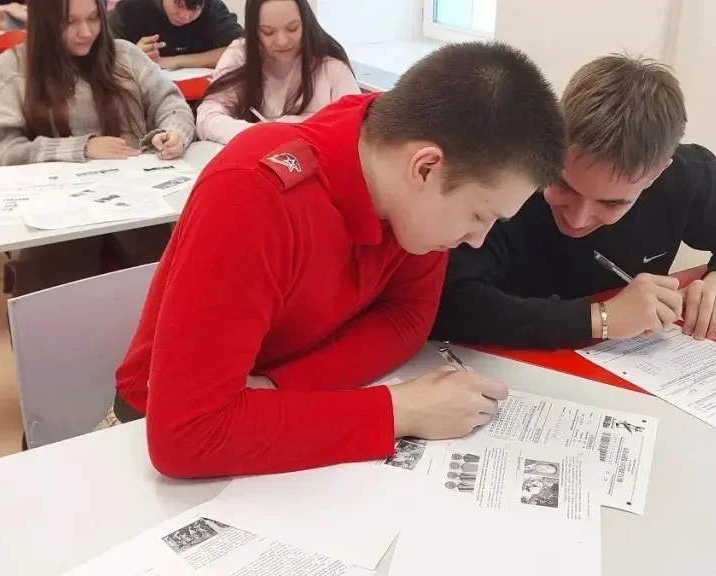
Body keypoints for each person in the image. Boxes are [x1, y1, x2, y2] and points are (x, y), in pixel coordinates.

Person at [110, 42, 566, 479]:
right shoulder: (255, 192)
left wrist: (278, 388)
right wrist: (399, 410)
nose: (477, 239)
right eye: (479, 216)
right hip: (140, 441)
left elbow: (409, 316)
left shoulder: (406, 190)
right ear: (425, 168)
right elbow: (188, 434)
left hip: (265, 414)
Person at [432, 54, 716, 349]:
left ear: (656, 174)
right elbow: (450, 303)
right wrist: (602, 318)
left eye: (612, 203)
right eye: (563, 185)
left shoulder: (688, 177)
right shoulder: (508, 178)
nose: (578, 218)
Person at [0, 0, 196, 296]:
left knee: (157, 287)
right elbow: (0, 148)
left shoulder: (125, 55)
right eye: (70, 22)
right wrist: (80, 148)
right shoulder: (10, 71)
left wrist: (174, 132)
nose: (86, 32)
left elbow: (170, 103)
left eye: (94, 18)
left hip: (138, 208)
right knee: (65, 293)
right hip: (56, 221)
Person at [195, 0, 359, 144]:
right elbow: (207, 116)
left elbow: (357, 126)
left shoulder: (330, 64)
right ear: (254, 31)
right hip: (255, 157)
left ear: (305, 23)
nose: (282, 41)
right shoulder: (241, 54)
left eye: (292, 28)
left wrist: (286, 129)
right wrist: (256, 133)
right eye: (268, 32)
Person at [108, 0, 242, 70]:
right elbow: (104, 56)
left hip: (202, 95)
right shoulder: (130, 10)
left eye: (194, 8)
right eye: (178, 4)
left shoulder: (212, 7)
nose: (184, 16)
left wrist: (173, 62)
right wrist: (132, 55)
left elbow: (241, 49)